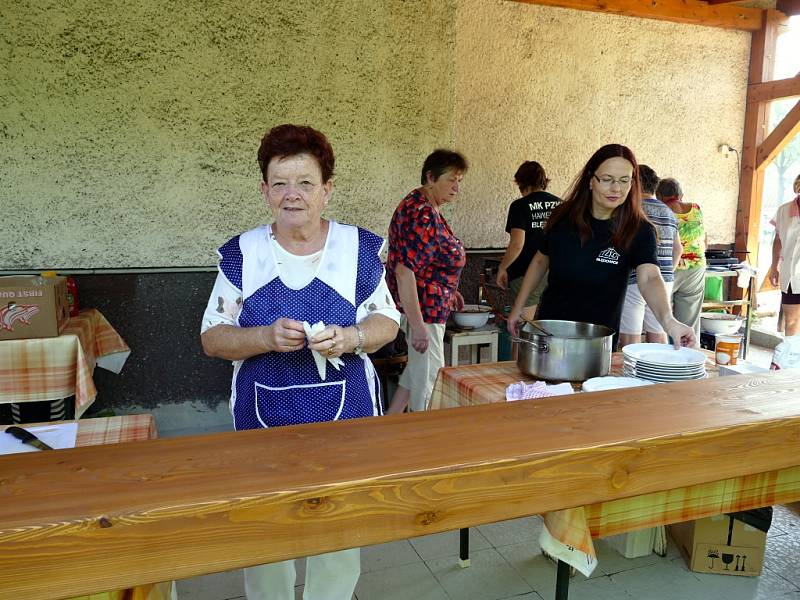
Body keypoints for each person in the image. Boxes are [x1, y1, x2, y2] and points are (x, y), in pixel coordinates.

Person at [200, 124, 400, 600]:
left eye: (306, 183)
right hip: (261, 414)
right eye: (281, 183)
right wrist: (262, 336)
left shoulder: (357, 250)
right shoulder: (243, 254)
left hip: (345, 415)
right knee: (268, 530)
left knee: (338, 531)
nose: (294, 195)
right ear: (264, 190)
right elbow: (212, 338)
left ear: (326, 191)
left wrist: (352, 336)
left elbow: (387, 322)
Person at [507, 144, 695, 350]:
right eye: (607, 180)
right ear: (591, 180)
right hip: (552, 332)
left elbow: (650, 277)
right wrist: (518, 307)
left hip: (599, 342)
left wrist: (669, 321)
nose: (616, 188)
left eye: (625, 181)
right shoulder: (562, 217)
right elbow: (541, 260)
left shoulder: (638, 229)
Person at [385, 149, 468, 413]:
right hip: (424, 312)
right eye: (451, 180)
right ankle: (423, 441)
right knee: (429, 382)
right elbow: (404, 270)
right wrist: (419, 326)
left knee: (416, 374)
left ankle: (389, 423)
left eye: (459, 180)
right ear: (430, 177)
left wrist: (449, 290)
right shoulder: (422, 214)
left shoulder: (423, 205)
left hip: (430, 304)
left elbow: (426, 263)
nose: (456, 187)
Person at [619, 165, 682, 347]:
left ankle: (629, 373)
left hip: (634, 279)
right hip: (664, 281)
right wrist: (666, 273)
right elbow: (678, 250)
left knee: (630, 338)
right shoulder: (669, 212)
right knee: (658, 332)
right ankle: (658, 371)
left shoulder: (632, 209)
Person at [496, 161, 561, 320]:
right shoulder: (561, 205)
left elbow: (517, 244)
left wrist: (503, 268)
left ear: (521, 182)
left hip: (527, 271)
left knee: (524, 326)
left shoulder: (520, 206)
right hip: (556, 270)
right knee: (550, 324)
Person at [656, 177, 708, 339]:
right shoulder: (696, 208)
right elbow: (705, 240)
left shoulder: (663, 211)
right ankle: (688, 358)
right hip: (696, 267)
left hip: (670, 267)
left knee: (662, 318)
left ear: (658, 195)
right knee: (689, 321)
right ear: (681, 194)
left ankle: (663, 357)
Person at [768, 173, 800, 337]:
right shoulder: (784, 210)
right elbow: (778, 240)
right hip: (790, 276)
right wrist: (774, 267)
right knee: (791, 322)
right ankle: (790, 359)